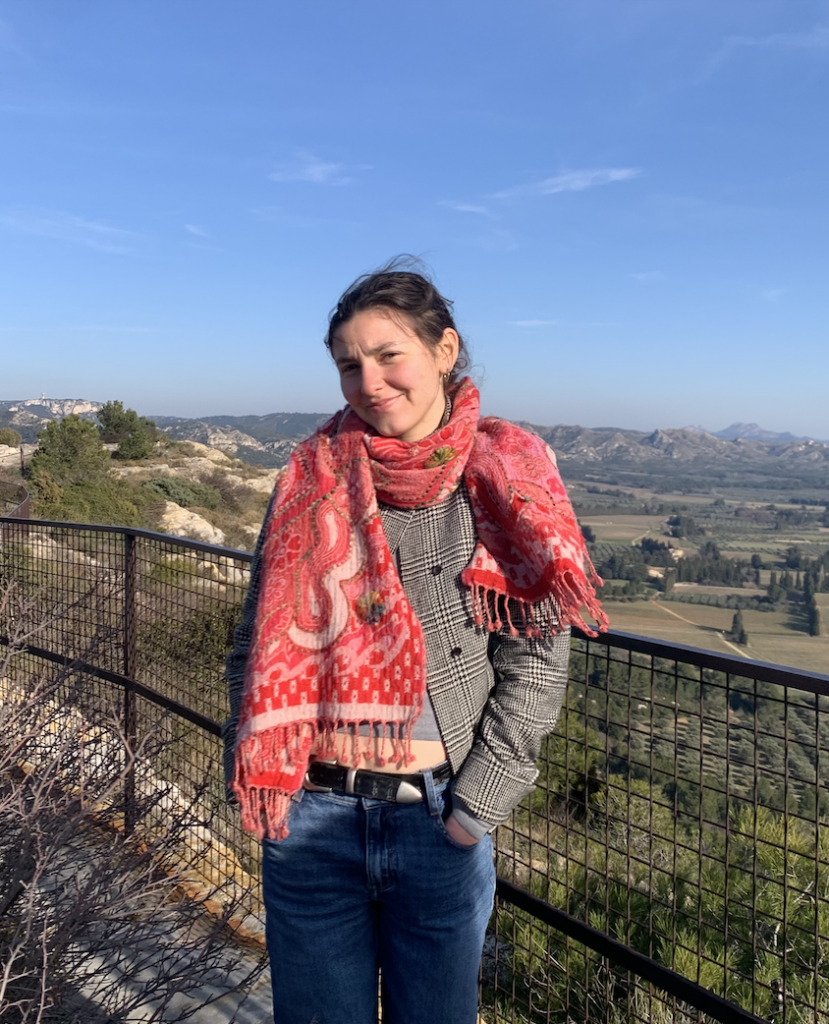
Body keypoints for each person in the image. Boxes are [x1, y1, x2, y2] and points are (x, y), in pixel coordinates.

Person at [222, 260, 607, 1024]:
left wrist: (474, 810)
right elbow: (252, 643)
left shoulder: (505, 475)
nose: (369, 381)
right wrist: (262, 763)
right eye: (348, 365)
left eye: (387, 354)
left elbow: (534, 664)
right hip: (311, 822)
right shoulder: (307, 476)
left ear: (443, 349)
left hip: (436, 821)